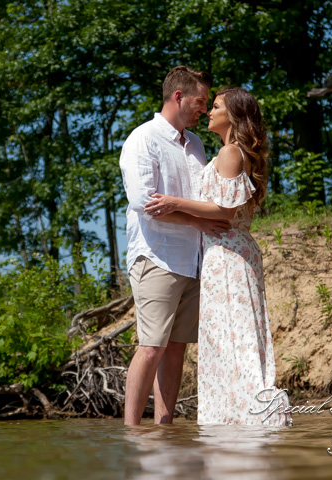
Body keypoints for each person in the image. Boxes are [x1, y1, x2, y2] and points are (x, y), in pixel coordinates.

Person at [144, 87, 291, 426]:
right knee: (230, 337)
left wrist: (174, 202)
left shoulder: (230, 153)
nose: (208, 111)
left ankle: (248, 415)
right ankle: (238, 416)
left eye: (216, 106)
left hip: (228, 254)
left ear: (235, 116)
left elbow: (225, 211)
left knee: (233, 337)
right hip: (225, 252)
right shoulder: (233, 153)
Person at [119, 66, 231, 425]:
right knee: (151, 347)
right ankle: (131, 433)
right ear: (178, 97)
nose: (204, 109)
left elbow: (198, 197)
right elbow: (144, 204)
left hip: (193, 259)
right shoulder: (143, 138)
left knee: (176, 348)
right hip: (156, 255)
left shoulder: (196, 144)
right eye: (200, 102)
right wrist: (197, 221)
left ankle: (164, 427)